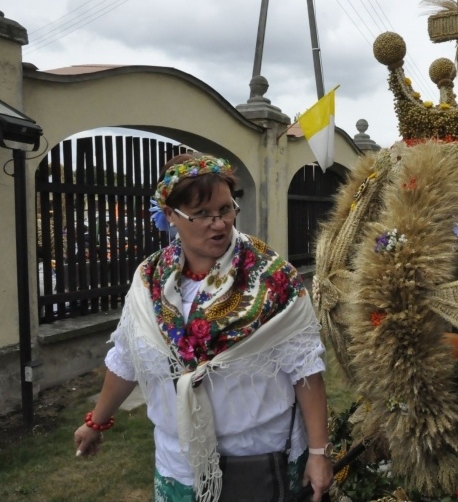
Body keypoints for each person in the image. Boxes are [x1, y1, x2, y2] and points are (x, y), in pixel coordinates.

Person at [74, 153, 333, 502]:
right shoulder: (148, 281)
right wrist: (96, 423)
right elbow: (127, 358)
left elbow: (306, 369)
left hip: (260, 457)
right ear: (170, 215)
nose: (219, 224)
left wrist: (319, 453)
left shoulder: (272, 278)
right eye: (202, 214)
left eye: (226, 209)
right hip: (178, 461)